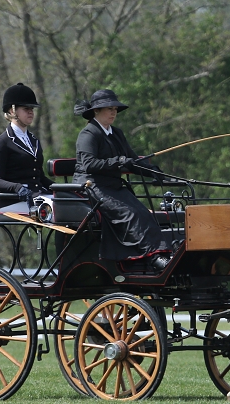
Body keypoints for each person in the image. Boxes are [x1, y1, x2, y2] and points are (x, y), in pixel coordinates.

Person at [72, 89, 171, 270]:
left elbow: (133, 161)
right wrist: (117, 161)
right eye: (108, 108)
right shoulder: (88, 134)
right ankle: (152, 257)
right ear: (96, 111)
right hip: (91, 186)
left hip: (113, 187)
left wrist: (154, 172)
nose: (113, 112)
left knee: (143, 211)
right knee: (129, 213)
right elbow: (89, 164)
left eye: (115, 109)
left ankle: (160, 253)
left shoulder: (116, 133)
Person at [0, 83, 53, 210]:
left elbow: (39, 177)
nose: (31, 112)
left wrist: (64, 189)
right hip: (13, 201)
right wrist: (17, 188)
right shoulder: (2, 143)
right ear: (12, 110)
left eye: (32, 109)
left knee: (72, 205)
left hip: (39, 197)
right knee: (60, 210)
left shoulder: (34, 141)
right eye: (26, 108)